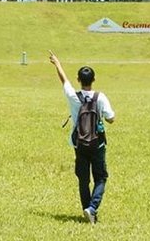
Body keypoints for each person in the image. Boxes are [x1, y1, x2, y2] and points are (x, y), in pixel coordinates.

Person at [49, 51, 116, 225]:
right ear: (93, 80)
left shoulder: (73, 96)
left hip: (79, 143)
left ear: (78, 80)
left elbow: (64, 81)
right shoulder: (100, 97)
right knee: (100, 177)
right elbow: (111, 118)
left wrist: (57, 63)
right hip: (98, 143)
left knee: (83, 179)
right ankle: (92, 209)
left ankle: (87, 209)